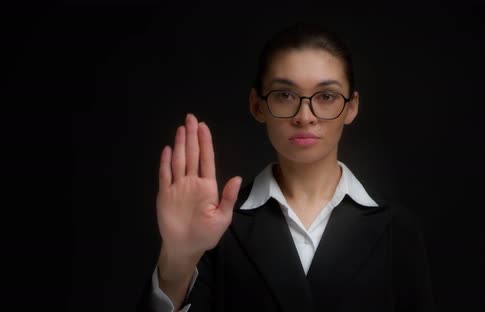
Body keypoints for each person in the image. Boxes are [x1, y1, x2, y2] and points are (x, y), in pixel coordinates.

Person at [138, 22, 436, 312]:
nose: (305, 116)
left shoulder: (398, 229)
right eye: (284, 95)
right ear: (258, 105)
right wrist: (177, 259)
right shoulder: (216, 227)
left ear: (351, 106)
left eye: (327, 96)